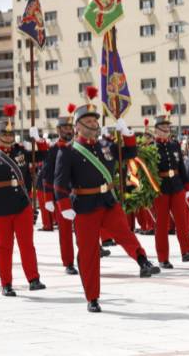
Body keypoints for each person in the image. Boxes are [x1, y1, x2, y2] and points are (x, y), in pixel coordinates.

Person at [54, 87, 160, 312]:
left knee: (125, 233)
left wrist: (127, 133)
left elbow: (129, 154)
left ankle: (143, 261)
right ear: (78, 126)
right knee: (89, 253)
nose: (93, 124)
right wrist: (64, 206)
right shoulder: (69, 151)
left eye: (95, 120)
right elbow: (59, 182)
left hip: (108, 201)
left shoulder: (105, 145)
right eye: (88, 121)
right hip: (84, 206)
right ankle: (92, 297)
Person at [0, 104, 48, 296]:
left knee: (27, 244)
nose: (8, 138)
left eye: (11, 134)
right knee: (5, 247)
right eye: (4, 135)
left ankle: (33, 279)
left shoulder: (20, 151)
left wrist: (38, 139)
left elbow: (43, 155)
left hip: (21, 205)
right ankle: (6, 284)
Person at [151, 104, 189, 269]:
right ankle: (163, 258)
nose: (166, 130)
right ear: (156, 130)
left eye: (167, 127)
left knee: (182, 220)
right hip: (161, 188)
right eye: (163, 127)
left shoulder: (174, 145)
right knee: (162, 224)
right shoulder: (151, 148)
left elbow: (181, 167)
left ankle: (186, 251)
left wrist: (186, 186)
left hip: (177, 185)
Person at [42, 103, 78, 275]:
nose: (68, 130)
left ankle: (90, 254)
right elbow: (48, 173)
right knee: (65, 232)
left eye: (70, 127)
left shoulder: (79, 146)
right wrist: (48, 198)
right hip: (62, 195)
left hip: (80, 193)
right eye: (65, 128)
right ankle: (68, 262)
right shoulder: (54, 149)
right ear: (58, 130)